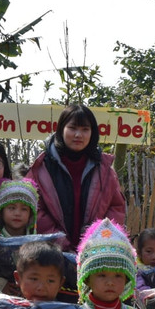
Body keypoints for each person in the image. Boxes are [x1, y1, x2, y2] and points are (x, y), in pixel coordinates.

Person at [26, 104, 126, 250]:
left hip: (94, 250)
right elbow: (35, 209)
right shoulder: (41, 168)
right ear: (61, 129)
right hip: (51, 253)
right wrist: (61, 243)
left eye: (85, 129)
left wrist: (94, 239)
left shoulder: (104, 169)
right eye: (72, 128)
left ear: (92, 133)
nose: (78, 135)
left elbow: (116, 207)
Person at [0, 179, 41, 299]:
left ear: (31, 215)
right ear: (1, 212)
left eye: (24, 209)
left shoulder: (38, 245)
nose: (17, 213)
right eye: (11, 208)